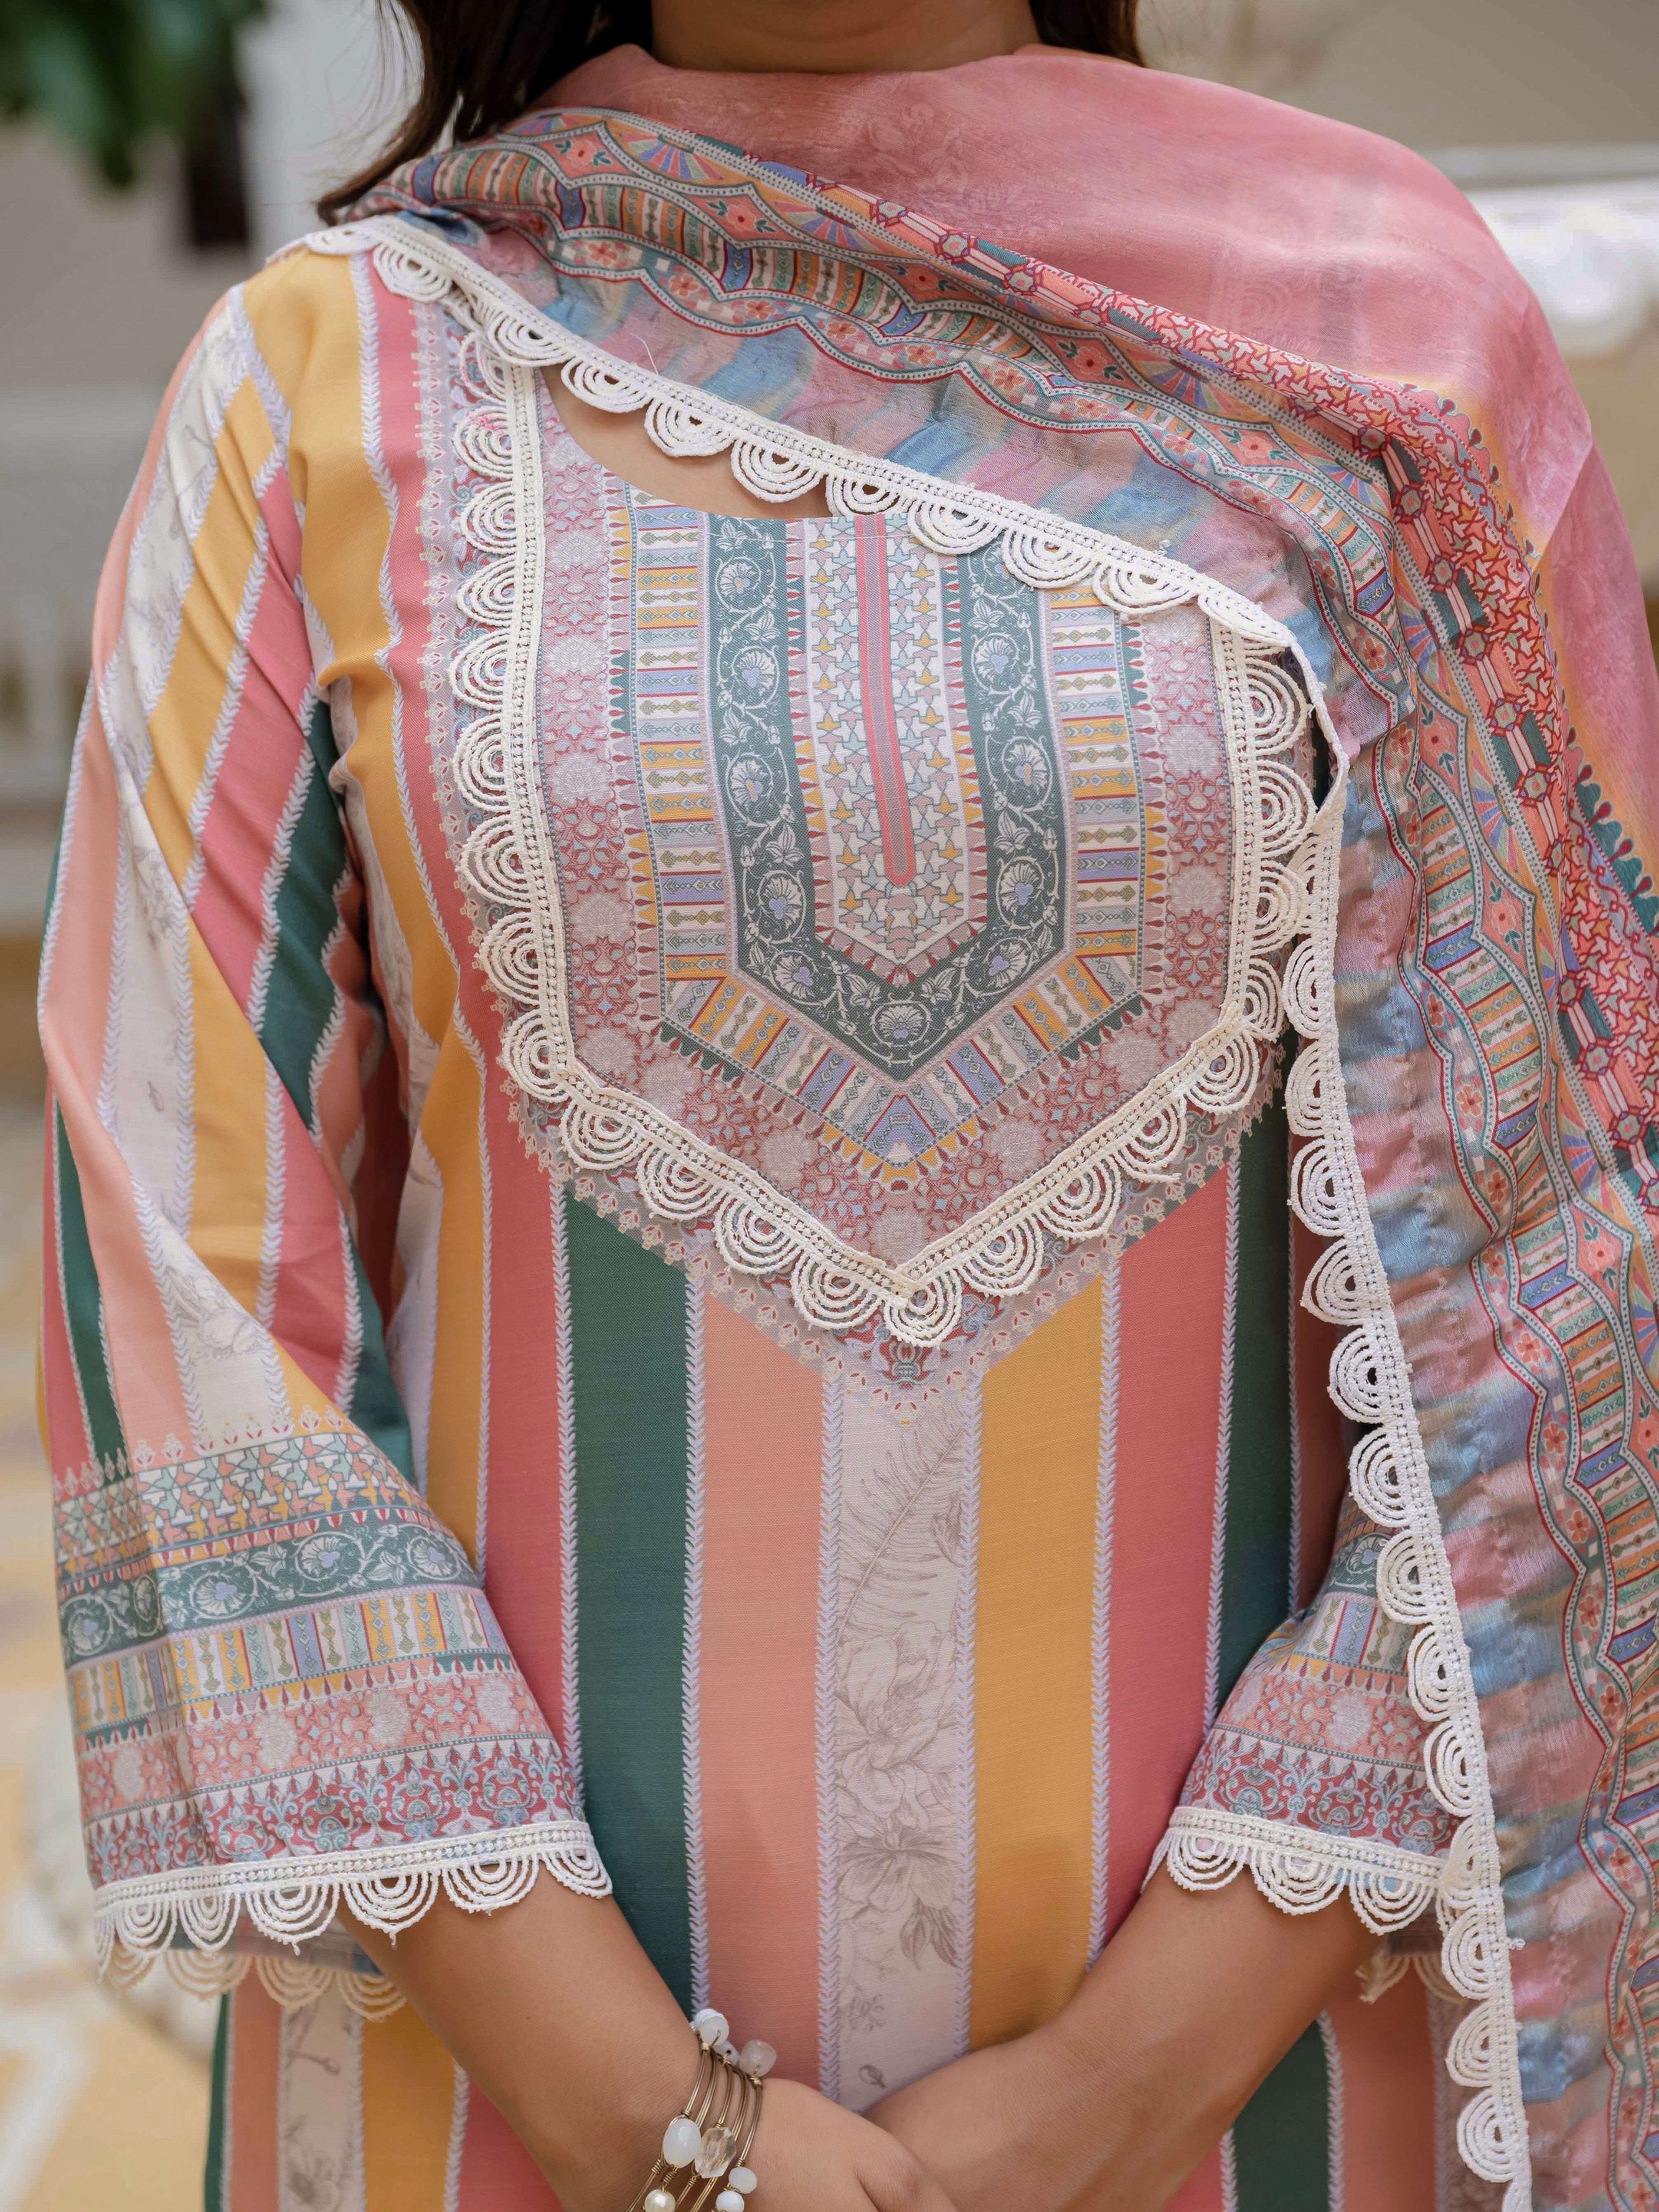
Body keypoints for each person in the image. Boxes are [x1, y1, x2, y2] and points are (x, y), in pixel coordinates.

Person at [38, 2, 1659, 2207]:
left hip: (1257, 2087)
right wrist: (641, 2114)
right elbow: (178, 1261)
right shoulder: (321, 382)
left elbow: (1574, 1255)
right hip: (492, 2092)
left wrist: (1131, 2083)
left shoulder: (1391, 356)